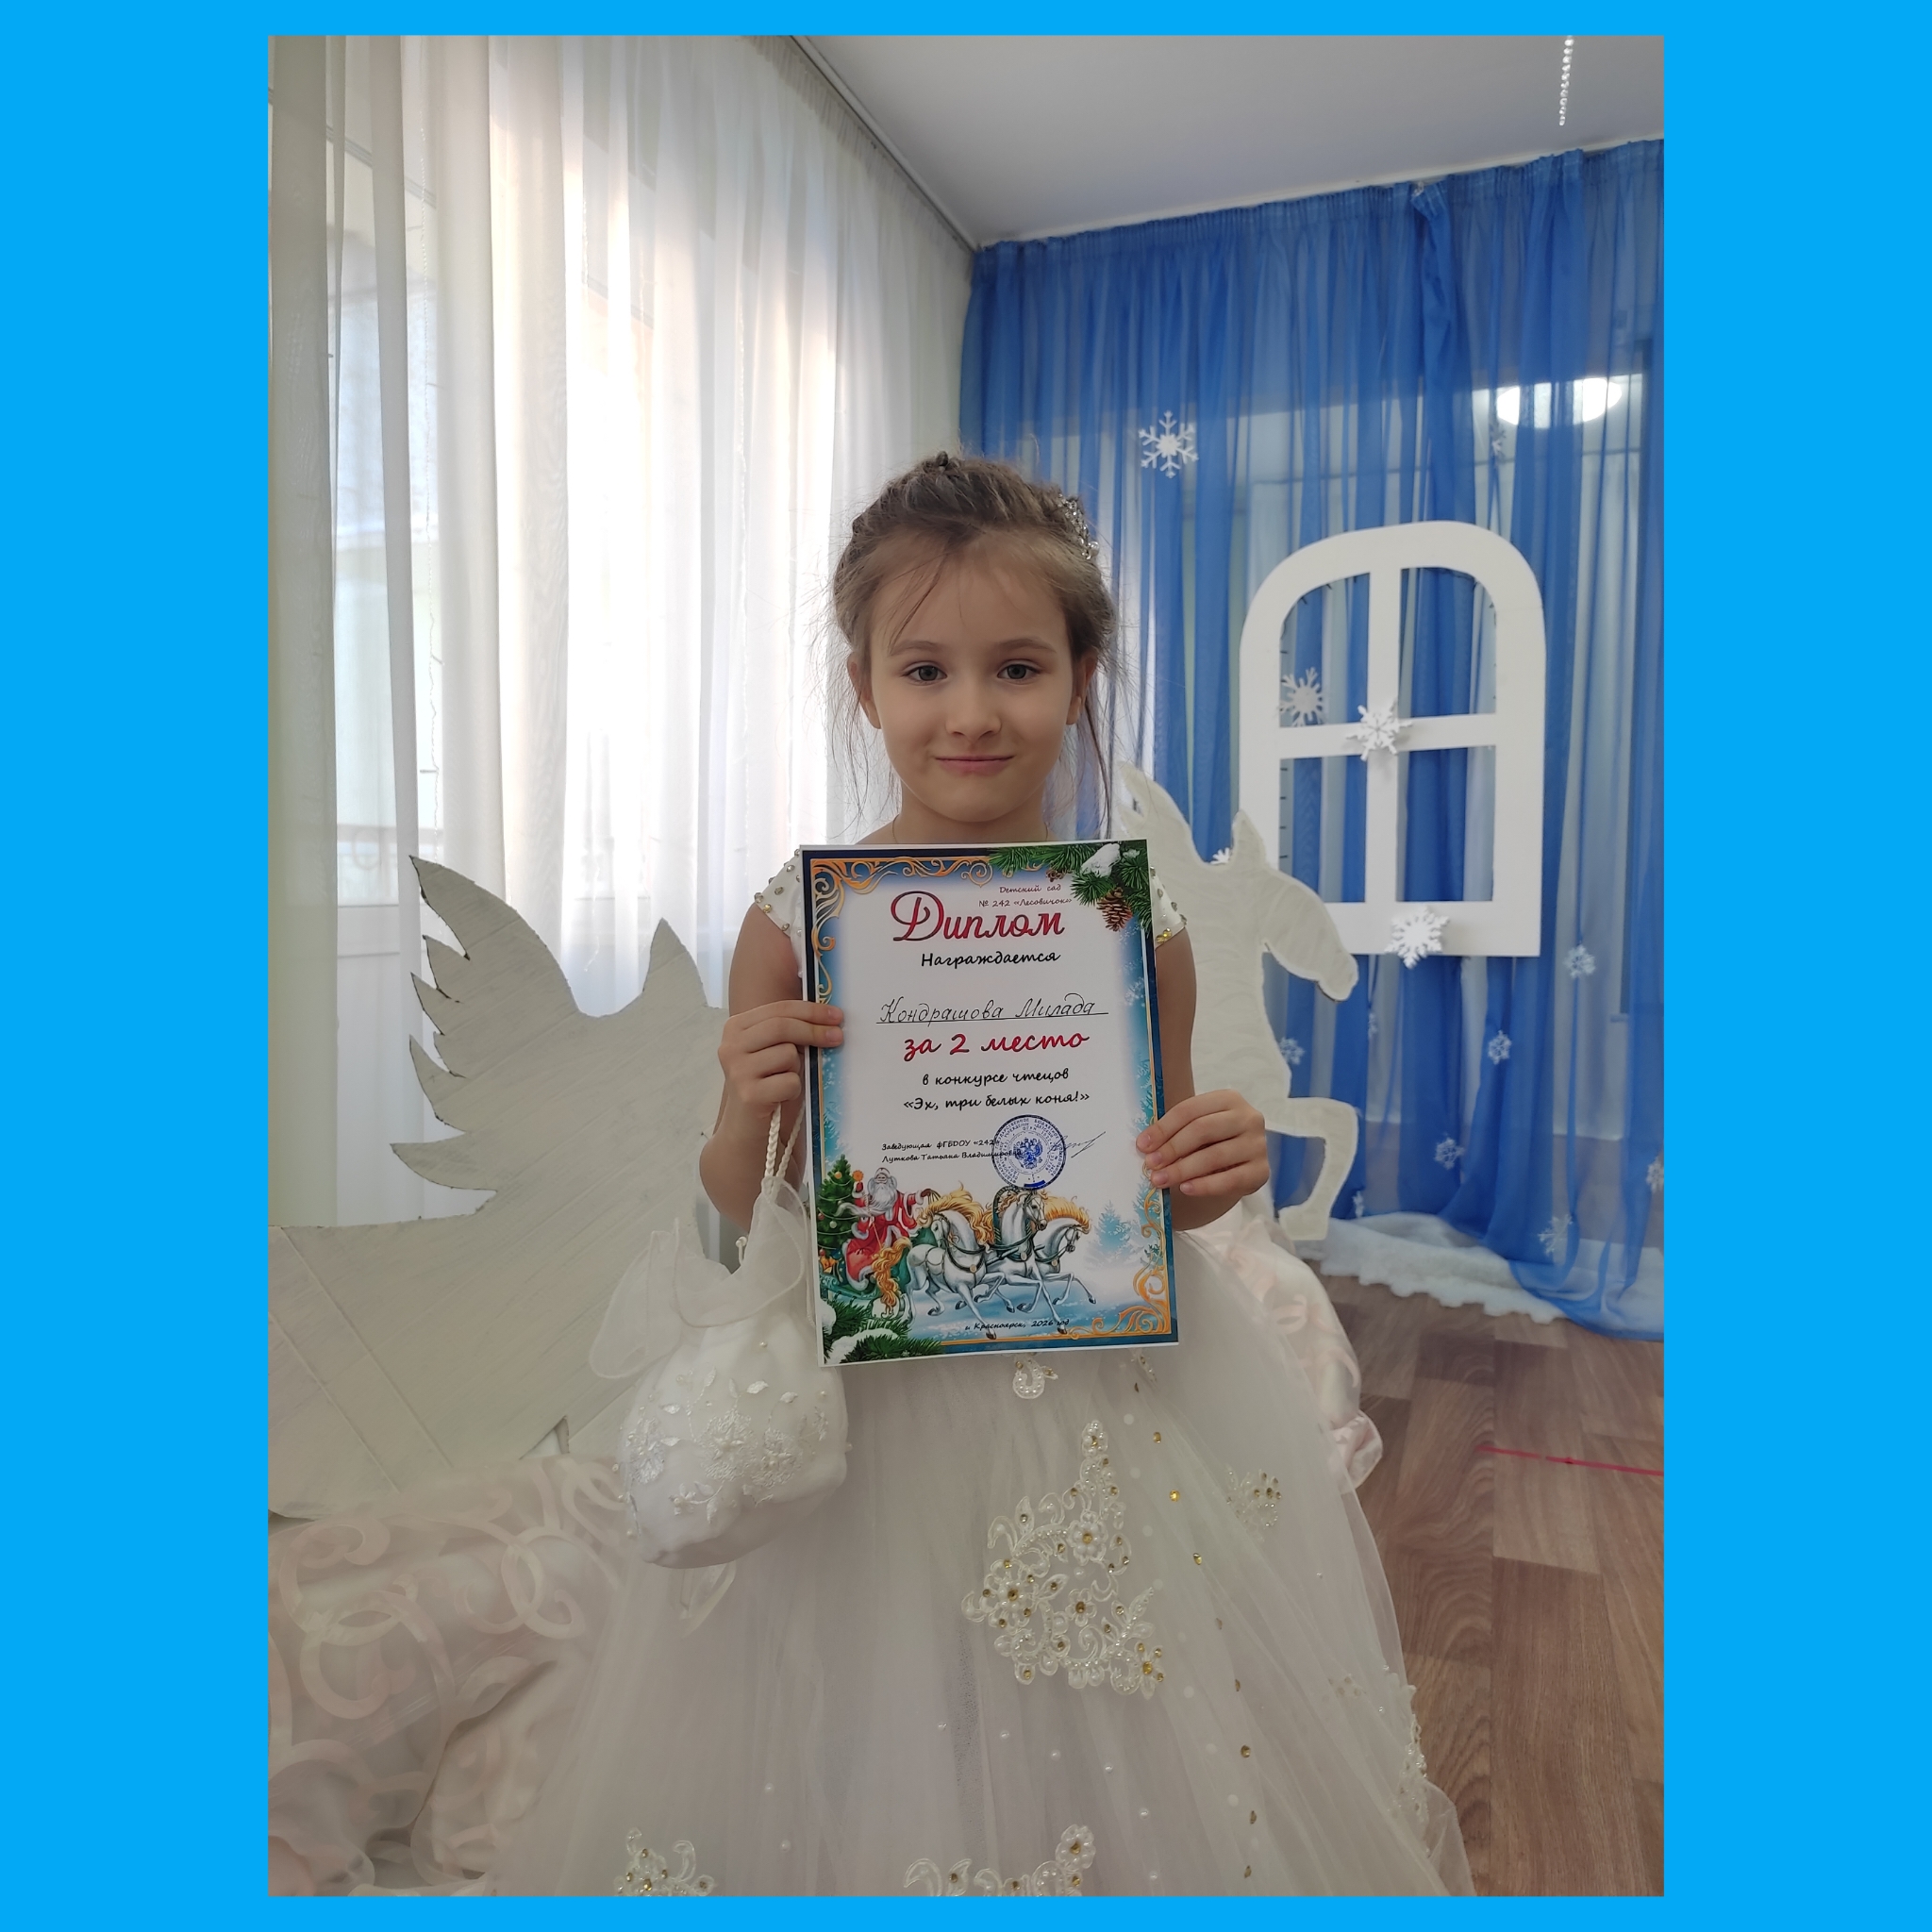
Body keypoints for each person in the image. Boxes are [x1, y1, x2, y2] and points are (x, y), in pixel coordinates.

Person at [269, 455, 1471, 1897]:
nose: (971, 712)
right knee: (885, 1712)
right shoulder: (798, 923)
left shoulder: (1132, 923)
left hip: (1100, 1386)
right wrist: (744, 1106)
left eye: (1017, 667)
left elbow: (1153, 1182)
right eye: (925, 670)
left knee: (1121, 1714)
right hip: (875, 1404)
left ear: (1081, 677)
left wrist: (1217, 1167)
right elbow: (736, 1223)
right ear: (865, 687)